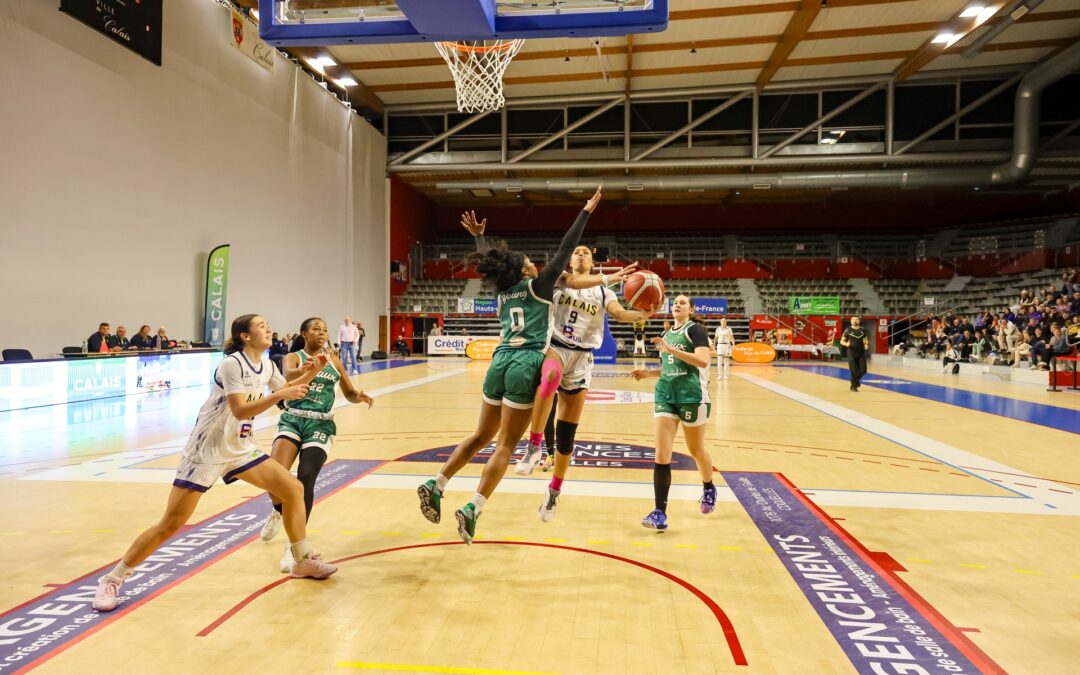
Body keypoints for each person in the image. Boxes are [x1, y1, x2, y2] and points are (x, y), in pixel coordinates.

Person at [90, 315, 338, 612]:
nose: (268, 329)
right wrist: (281, 394)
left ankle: (301, 560)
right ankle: (113, 578)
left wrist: (314, 371)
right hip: (206, 451)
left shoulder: (268, 364)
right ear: (245, 336)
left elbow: (288, 388)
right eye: (261, 326)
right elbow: (241, 409)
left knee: (293, 489)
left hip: (240, 449)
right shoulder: (232, 364)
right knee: (171, 523)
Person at [416, 186, 603, 544]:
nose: (535, 264)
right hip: (525, 363)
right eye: (530, 262)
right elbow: (566, 248)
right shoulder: (539, 286)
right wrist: (585, 213)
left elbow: (492, 262)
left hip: (498, 361)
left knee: (480, 435)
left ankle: (437, 482)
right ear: (524, 270)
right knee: (504, 445)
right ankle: (473, 507)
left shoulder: (501, 290)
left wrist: (479, 238)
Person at [259, 317, 374, 570]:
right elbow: (288, 376)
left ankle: (294, 547)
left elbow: (348, 392)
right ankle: (279, 510)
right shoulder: (294, 357)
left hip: (320, 424)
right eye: (316, 329)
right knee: (275, 475)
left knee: (306, 478)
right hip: (293, 419)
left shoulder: (334, 360)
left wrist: (358, 396)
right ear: (304, 333)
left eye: (324, 330)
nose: (321, 333)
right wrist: (307, 368)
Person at [630, 295, 717, 531]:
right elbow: (669, 366)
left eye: (682, 303)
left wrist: (671, 350)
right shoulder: (667, 334)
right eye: (675, 302)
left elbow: (702, 360)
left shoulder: (696, 330)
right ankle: (660, 513)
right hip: (665, 396)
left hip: (692, 397)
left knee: (696, 450)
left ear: (691, 310)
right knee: (661, 454)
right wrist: (649, 373)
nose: (677, 305)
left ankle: (709, 487)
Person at [840, 317, 869, 391]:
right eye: (853, 319)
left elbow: (866, 339)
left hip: (861, 352)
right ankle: (854, 386)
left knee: (863, 370)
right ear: (851, 321)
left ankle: (855, 382)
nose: (855, 321)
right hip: (851, 352)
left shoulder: (863, 330)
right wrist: (846, 344)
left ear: (859, 321)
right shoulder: (847, 330)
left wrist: (866, 345)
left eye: (856, 319)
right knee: (853, 371)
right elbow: (842, 341)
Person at [713, 317, 735, 381]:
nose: (723, 322)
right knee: (719, 361)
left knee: (726, 361)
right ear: (720, 322)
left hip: (727, 345)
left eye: (724, 321)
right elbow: (715, 338)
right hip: (720, 345)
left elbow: (732, 337)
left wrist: (733, 345)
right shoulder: (718, 329)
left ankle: (725, 376)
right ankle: (719, 376)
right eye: (722, 321)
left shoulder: (729, 329)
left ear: (726, 322)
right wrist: (713, 346)